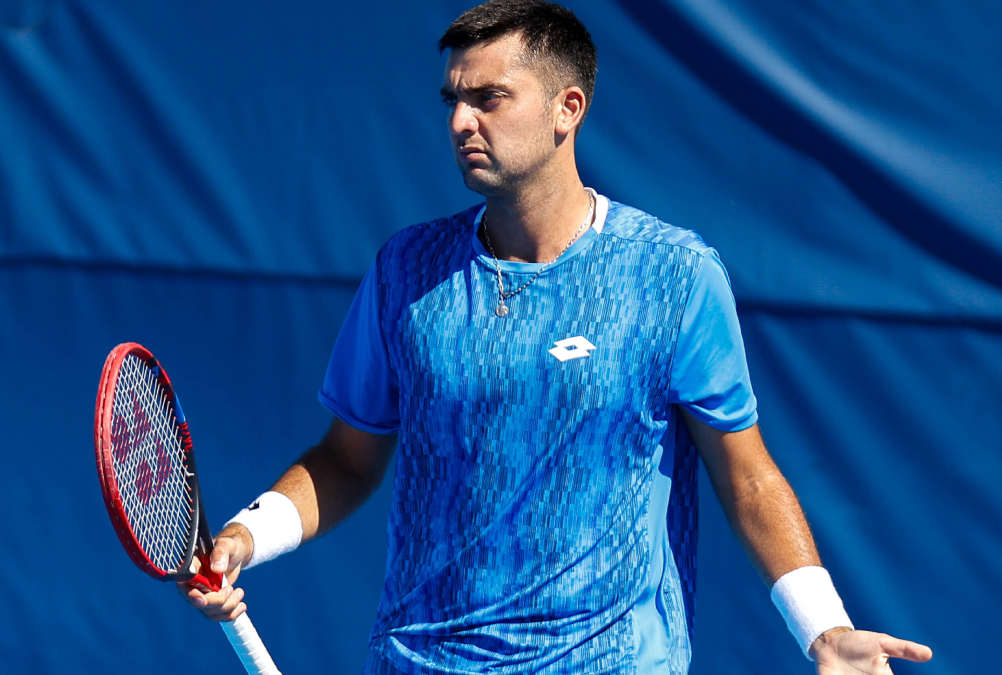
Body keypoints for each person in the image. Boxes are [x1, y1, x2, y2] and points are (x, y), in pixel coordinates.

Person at [180, 1, 934, 673]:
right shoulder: (405, 271)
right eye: (453, 99)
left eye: (490, 98)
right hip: (421, 657)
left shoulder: (673, 274)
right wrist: (245, 537)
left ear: (566, 108)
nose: (459, 121)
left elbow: (746, 476)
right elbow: (345, 460)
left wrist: (825, 629)